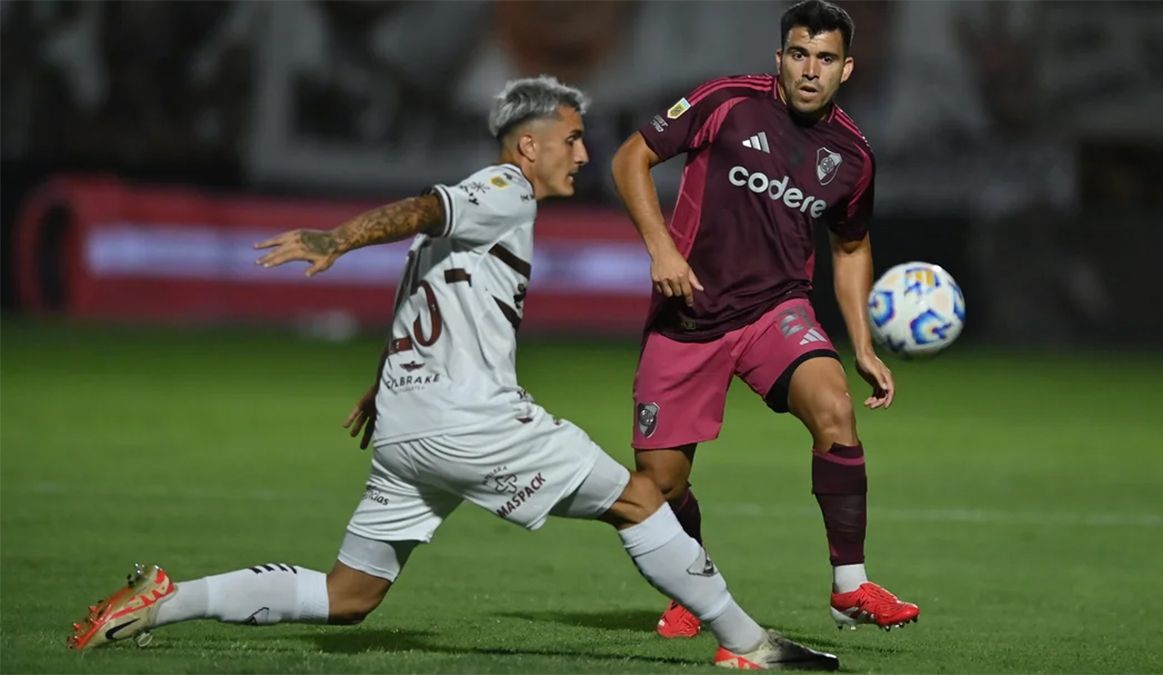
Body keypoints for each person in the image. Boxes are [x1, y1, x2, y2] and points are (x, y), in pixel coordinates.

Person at [67, 76, 839, 671]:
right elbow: (421, 207)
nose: (581, 154)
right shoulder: (503, 190)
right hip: (473, 421)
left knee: (349, 594)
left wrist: (382, 383)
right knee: (641, 498)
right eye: (571, 140)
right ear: (528, 147)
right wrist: (335, 239)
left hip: (408, 429)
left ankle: (163, 600)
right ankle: (749, 643)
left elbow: (420, 293)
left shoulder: (478, 221)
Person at [610, 0, 920, 639]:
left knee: (834, 408)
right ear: (779, 58)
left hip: (774, 311)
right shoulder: (726, 102)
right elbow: (629, 158)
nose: (811, 70)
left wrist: (862, 345)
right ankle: (693, 583)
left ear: (846, 68)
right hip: (689, 315)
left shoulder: (853, 156)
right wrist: (662, 249)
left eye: (826, 58)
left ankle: (850, 586)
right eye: (800, 54)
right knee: (659, 484)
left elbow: (851, 246)